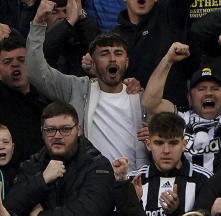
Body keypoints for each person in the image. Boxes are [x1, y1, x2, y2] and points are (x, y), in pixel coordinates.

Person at [3, 101, 116, 216]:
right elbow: (9, 208)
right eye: (50, 130)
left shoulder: (97, 165)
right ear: (42, 132)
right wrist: (42, 180)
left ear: (78, 130)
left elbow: (89, 211)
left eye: (65, 129)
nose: (57, 135)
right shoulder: (32, 166)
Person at [27, 14, 149, 169]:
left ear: (127, 61)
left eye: (118, 53)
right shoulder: (76, 88)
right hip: (92, 182)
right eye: (104, 53)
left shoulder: (141, 97)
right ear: (92, 62)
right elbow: (35, 72)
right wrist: (37, 24)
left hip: (134, 183)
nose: (112, 59)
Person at [142, 43, 221, 173]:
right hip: (184, 189)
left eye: (215, 88)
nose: (208, 93)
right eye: (201, 89)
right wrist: (168, 60)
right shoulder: (179, 117)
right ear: (189, 98)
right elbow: (150, 103)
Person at [111, 0, 193, 108]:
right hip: (133, 114)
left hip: (172, 114)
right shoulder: (113, 37)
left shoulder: (171, 15)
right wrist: (123, 82)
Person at [0, 31, 50, 169]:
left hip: (46, 175)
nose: (15, 64)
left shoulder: (47, 97)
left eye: (21, 60)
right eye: (7, 61)